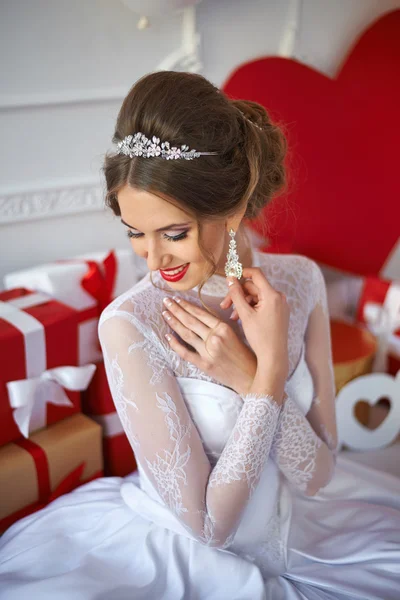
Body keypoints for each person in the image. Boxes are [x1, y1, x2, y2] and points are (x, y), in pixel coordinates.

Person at [0, 71, 399, 600]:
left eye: (174, 233)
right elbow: (210, 530)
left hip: (304, 530)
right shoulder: (129, 325)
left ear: (232, 212)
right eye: (135, 233)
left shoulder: (300, 282)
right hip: (185, 558)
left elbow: (319, 477)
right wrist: (264, 380)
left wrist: (260, 370)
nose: (153, 258)